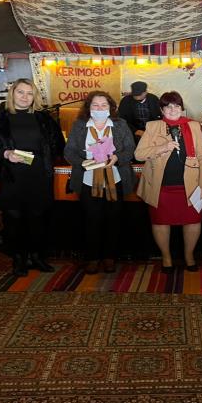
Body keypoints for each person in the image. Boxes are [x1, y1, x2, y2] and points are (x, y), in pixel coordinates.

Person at [0, 78, 64, 277]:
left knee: (38, 218)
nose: (24, 97)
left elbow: (58, 145)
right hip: (11, 176)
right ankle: (19, 259)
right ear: (12, 94)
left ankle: (37, 257)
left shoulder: (44, 119)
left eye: (29, 93)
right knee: (14, 220)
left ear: (34, 97)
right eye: (20, 92)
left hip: (39, 174)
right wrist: (6, 153)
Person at [134, 91, 202, 272]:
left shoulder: (193, 126)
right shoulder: (153, 126)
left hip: (190, 185)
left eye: (176, 106)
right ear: (162, 110)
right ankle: (166, 258)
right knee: (161, 222)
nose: (173, 109)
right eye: (168, 106)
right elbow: (139, 154)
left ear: (182, 108)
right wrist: (162, 147)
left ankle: (189, 256)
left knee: (193, 221)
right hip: (161, 185)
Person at [63, 91, 135, 274]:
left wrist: (117, 158)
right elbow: (69, 152)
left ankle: (110, 258)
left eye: (104, 105)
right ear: (89, 108)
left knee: (114, 220)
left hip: (115, 179)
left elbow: (130, 149)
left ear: (111, 107)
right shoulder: (80, 125)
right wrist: (83, 162)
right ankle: (92, 258)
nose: (100, 108)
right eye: (95, 105)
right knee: (91, 220)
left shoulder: (120, 124)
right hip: (88, 180)